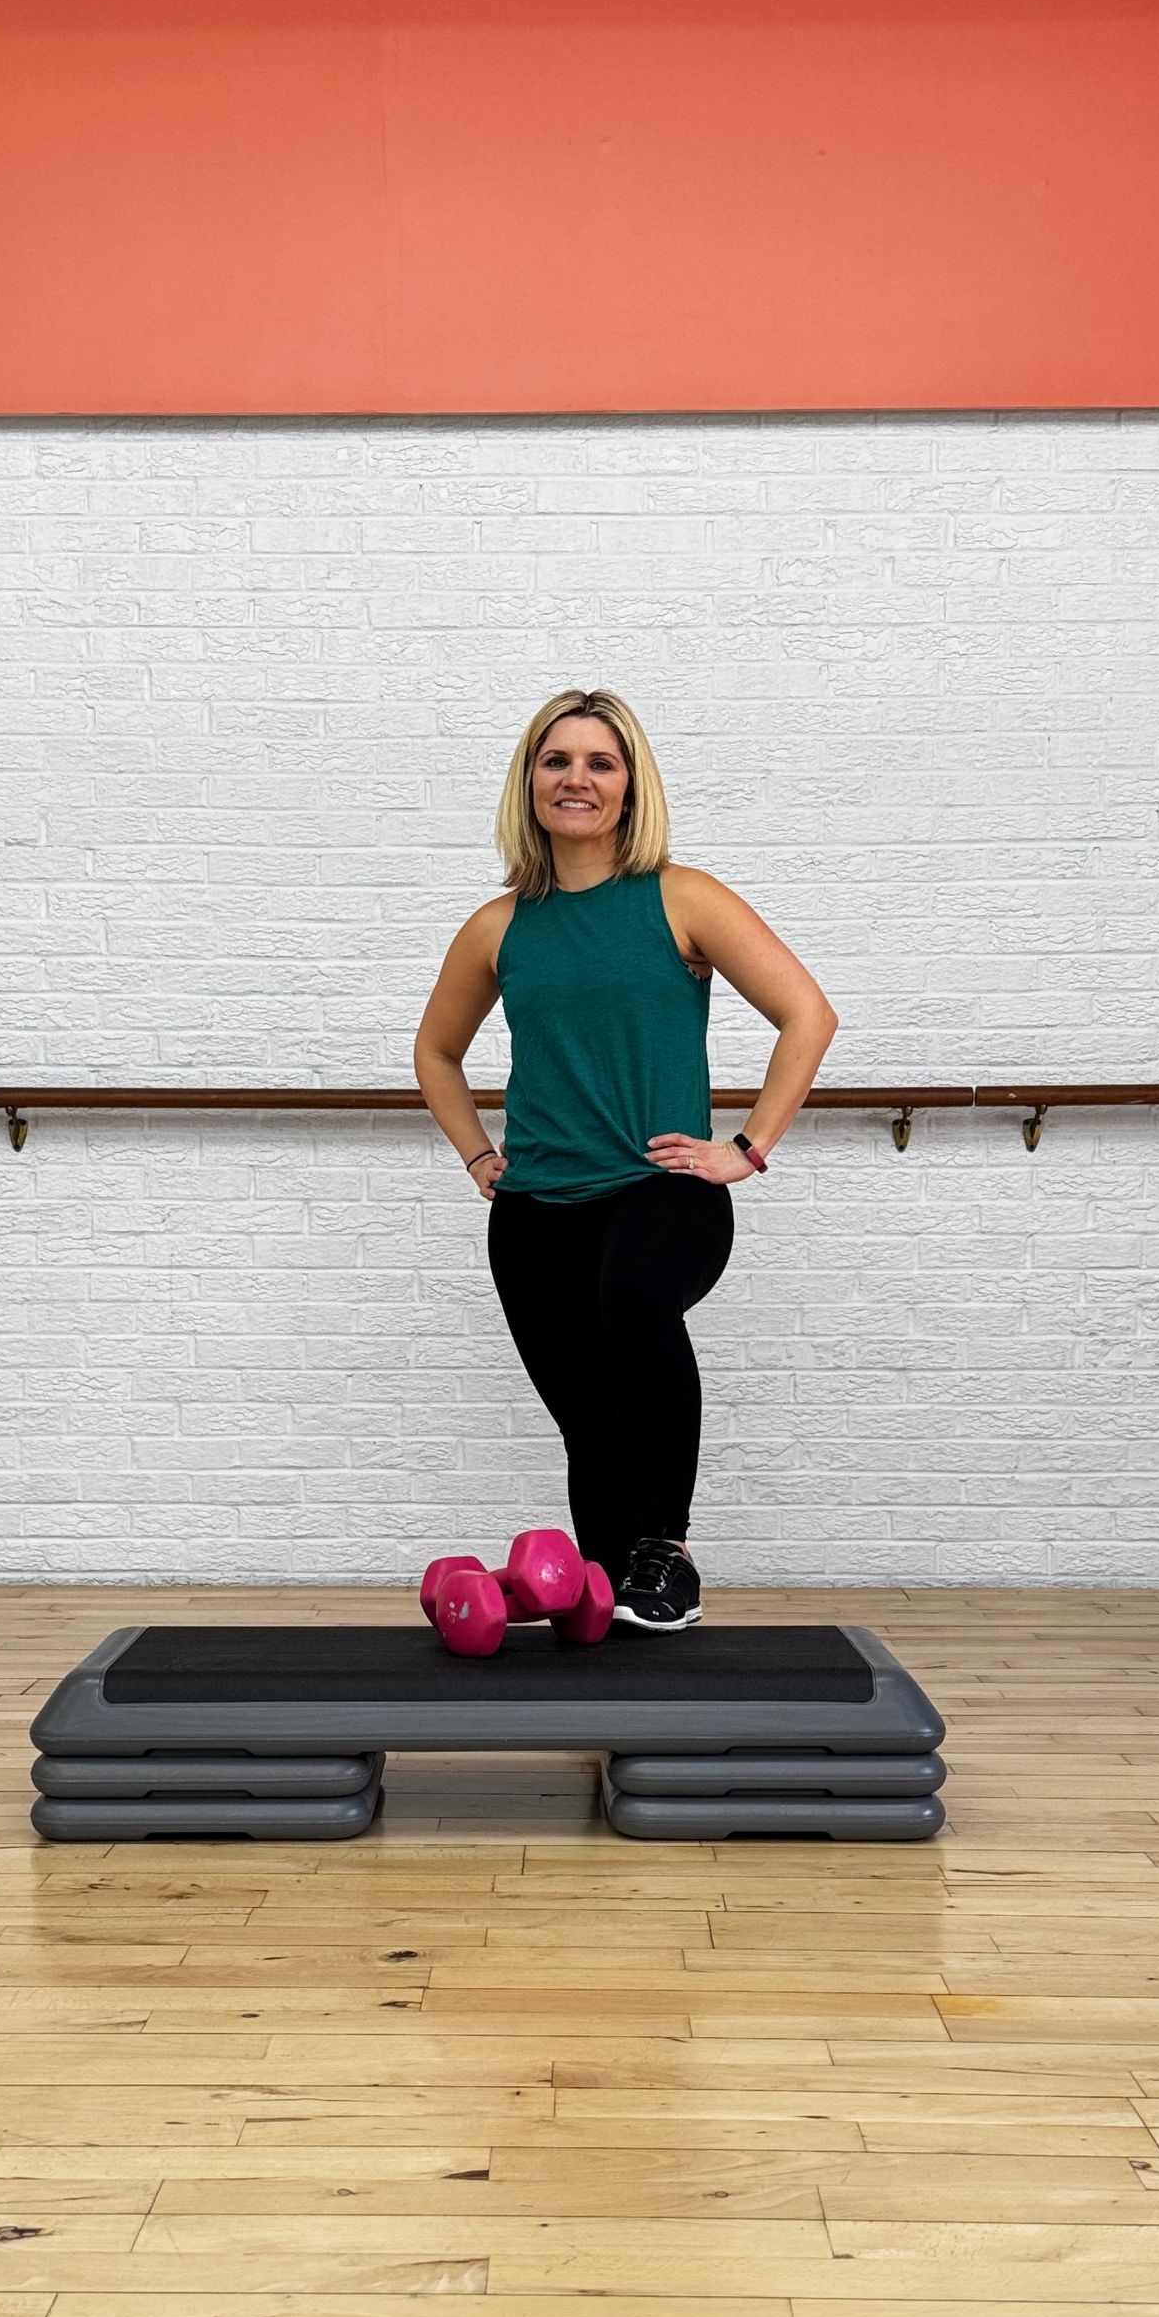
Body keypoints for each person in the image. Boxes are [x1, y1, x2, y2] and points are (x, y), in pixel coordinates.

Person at [413, 687, 839, 1631]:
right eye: (557, 760)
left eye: (600, 762)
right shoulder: (499, 927)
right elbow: (436, 1051)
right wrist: (481, 1157)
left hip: (663, 1186)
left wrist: (747, 1148)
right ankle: (607, 1587)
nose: (577, 779)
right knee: (587, 1417)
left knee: (632, 1302)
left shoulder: (682, 898)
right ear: (530, 782)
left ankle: (665, 1554)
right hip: (534, 1209)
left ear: (629, 783)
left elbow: (808, 1014)